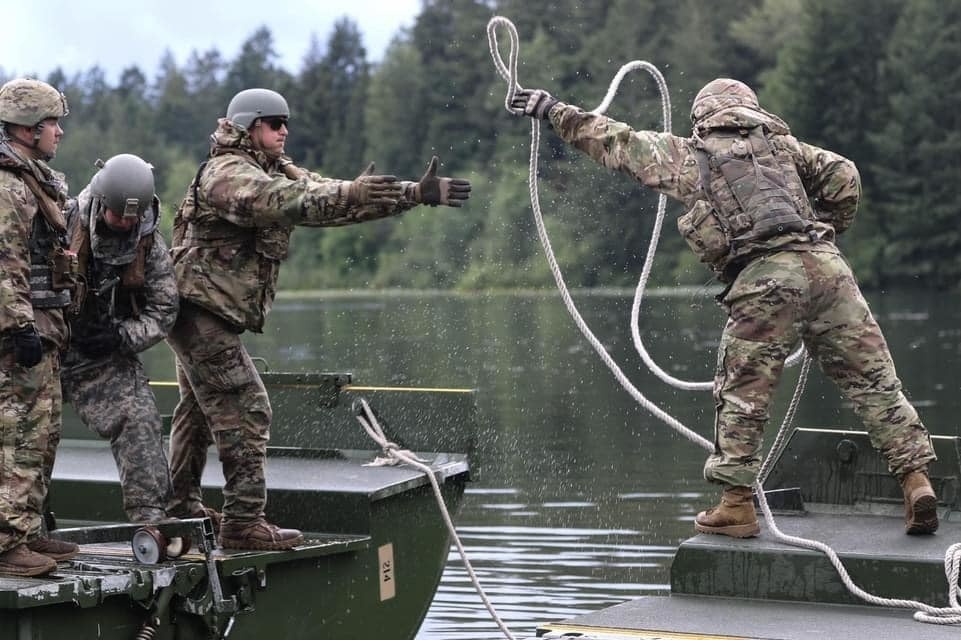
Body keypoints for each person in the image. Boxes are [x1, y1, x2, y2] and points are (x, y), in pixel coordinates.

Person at [511, 78, 938, 537]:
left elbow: (615, 141)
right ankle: (916, 483)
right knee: (875, 385)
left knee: (743, 395)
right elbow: (844, 175)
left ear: (702, 118)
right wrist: (830, 227)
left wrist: (552, 110)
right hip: (829, 272)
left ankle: (736, 505)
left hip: (765, 279)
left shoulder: (689, 156)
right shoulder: (785, 148)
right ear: (751, 110)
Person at [166, 87, 472, 550]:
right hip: (200, 313)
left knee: (198, 413)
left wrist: (415, 193)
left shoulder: (272, 170)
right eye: (274, 122)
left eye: (286, 121)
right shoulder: (227, 173)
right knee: (249, 408)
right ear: (251, 127)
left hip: (207, 312)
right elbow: (285, 201)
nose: (284, 130)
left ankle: (180, 511)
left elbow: (329, 199)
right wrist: (348, 190)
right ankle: (243, 522)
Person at [59, 153, 178, 524]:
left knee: (138, 415)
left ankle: (151, 519)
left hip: (102, 351)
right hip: (44, 345)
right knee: (24, 427)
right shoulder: (60, 221)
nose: (127, 222)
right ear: (100, 204)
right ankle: (19, 529)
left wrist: (119, 337)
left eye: (134, 216)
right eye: (118, 215)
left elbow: (165, 308)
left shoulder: (147, 242)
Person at [0, 78, 81, 577]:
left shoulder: (32, 179)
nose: (59, 133)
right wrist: (17, 327)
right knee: (18, 436)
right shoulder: (9, 187)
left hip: (45, 328)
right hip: (20, 335)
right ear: (29, 129)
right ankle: (7, 542)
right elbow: (4, 263)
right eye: (53, 123)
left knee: (43, 434)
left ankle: (25, 531)